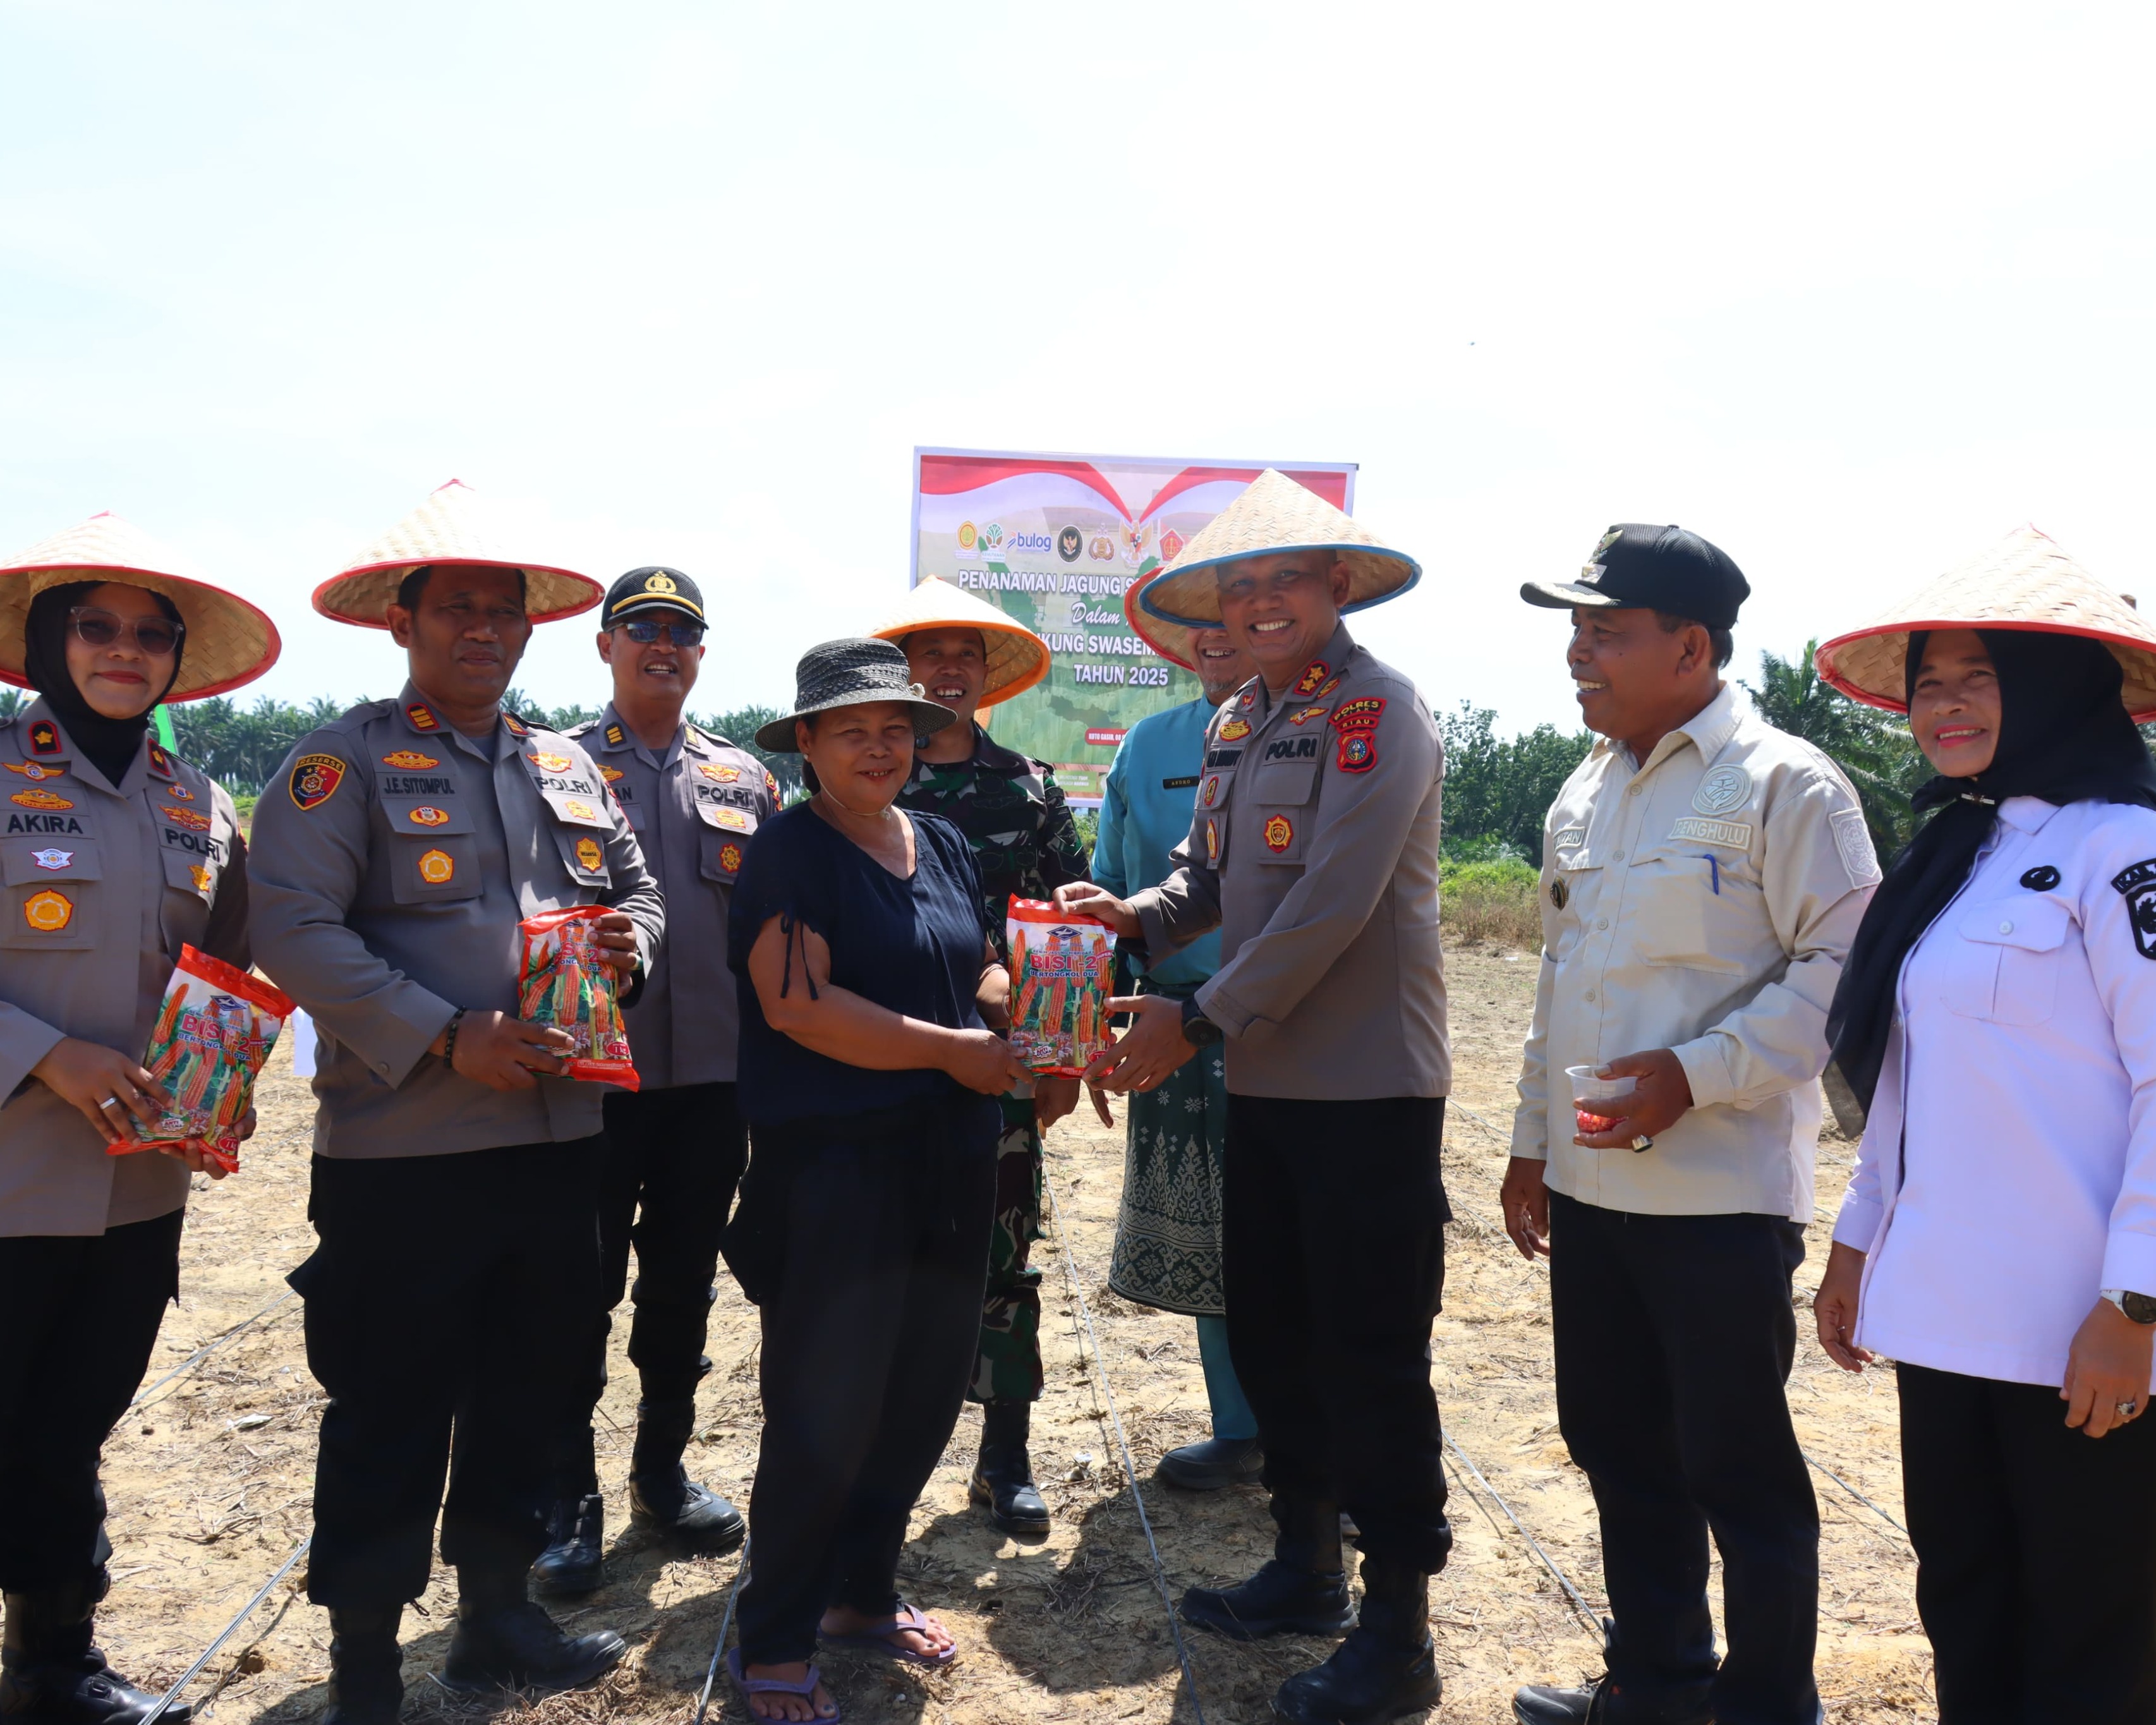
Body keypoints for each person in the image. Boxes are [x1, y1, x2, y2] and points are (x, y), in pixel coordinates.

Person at [248, 480, 665, 1724]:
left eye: (504, 611)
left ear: (530, 631)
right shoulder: (344, 766)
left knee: (535, 1388)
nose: (483, 629)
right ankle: (367, 1669)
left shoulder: (565, 766)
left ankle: (496, 1619)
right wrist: (445, 1036)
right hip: (406, 1152)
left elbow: (636, 894)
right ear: (404, 625)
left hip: (557, 1142)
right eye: (458, 611)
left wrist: (627, 955)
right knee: (390, 1402)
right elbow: (294, 928)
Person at [1060, 470, 1450, 1725]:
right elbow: (1206, 879)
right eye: (1239, 589)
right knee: (1277, 1333)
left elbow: (1331, 903)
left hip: (1365, 1093)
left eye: (1282, 580)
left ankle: (1396, 1629)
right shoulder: (1241, 724)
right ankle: (1304, 1566)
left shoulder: (1377, 716)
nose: (1259, 604)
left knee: (1370, 1357)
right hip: (1267, 1086)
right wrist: (1132, 915)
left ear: (1333, 586)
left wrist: (1196, 1017)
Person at [1501, 525, 1879, 1725]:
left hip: (1719, 1200)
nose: (1578, 655)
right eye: (1575, 631)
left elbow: (1842, 965)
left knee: (1740, 1475)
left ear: (1691, 644)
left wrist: (1697, 1073)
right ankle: (1657, 1683)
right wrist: (1530, 1140)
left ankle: (1768, 1706)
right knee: (1616, 1445)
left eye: (1603, 631)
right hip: (1596, 1193)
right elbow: (1563, 980)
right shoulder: (1587, 785)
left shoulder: (1787, 783)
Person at [1810, 527, 2156, 1724]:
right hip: (1949, 1317)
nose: (1945, 706)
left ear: (2055, 683)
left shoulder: (2127, 851)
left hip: (2082, 1335)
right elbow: (1912, 1073)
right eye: (1929, 682)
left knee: (2092, 1627)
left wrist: (2136, 1304)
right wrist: (1859, 1236)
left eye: (1980, 675)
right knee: (1964, 1595)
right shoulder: (1956, 851)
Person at [0, 512, 279, 1725]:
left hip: (137, 1187)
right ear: (49, 642)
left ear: (175, 658)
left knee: (74, 1423)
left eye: (147, 634)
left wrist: (231, 1080)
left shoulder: (200, 805)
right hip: (11, 1174)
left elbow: (226, 968)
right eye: (95, 626)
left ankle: (54, 1662)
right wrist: (45, 1054)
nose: (123, 650)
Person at [720, 638, 1020, 1722]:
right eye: (853, 728)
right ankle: (777, 1635)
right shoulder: (790, 854)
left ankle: (863, 1593)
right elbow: (799, 1008)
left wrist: (1021, 993)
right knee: (824, 1404)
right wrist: (951, 1048)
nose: (881, 746)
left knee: (920, 1393)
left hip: (950, 1160)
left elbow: (972, 955)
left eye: (896, 727)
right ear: (806, 742)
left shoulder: (936, 838)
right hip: (837, 1171)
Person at [533, 567, 775, 1592]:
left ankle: (661, 1471)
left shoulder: (746, 778)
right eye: (642, 628)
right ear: (605, 645)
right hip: (594, 1081)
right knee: (576, 1293)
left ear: (701, 652)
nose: (662, 646)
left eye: (682, 631)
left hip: (715, 1082)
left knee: (681, 1287)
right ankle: (566, 1496)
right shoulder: (551, 767)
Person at [868, 577, 1084, 1537]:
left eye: (968, 653)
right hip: (879, 1066)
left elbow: (1070, 931)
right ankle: (873, 1463)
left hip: (1002, 1071)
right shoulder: (866, 780)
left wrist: (1066, 1057)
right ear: (904, 673)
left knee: (1004, 1258)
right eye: (930, 653)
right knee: (880, 1261)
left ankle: (1004, 1458)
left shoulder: (1032, 789)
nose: (949, 668)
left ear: (988, 673)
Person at [1092, 591, 1263, 1489]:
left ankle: (1328, 1443)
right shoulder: (1147, 744)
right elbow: (1115, 886)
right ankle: (1239, 1428)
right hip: (1172, 1023)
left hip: (1286, 1027)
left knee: (1297, 1239)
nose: (1215, 633)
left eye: (1231, 614)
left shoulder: (1323, 730)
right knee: (1204, 1235)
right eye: (1199, 620)